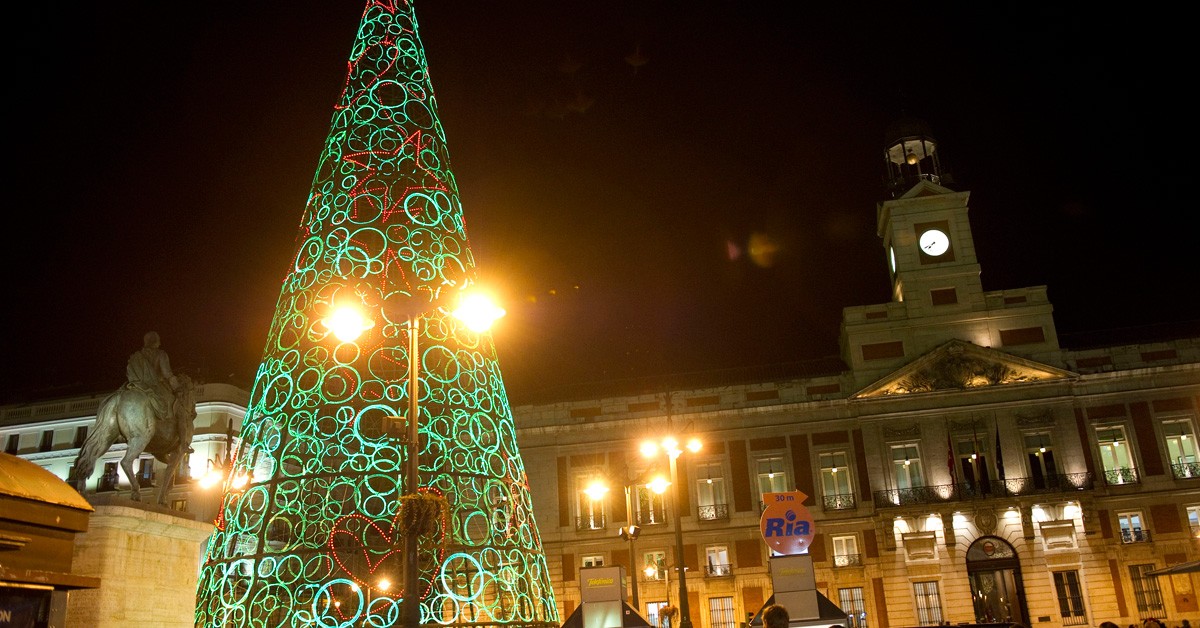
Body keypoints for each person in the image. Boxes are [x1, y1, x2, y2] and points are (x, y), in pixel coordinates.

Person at [126, 331, 178, 421]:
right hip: (155, 386)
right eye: (159, 341)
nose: (160, 343)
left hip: (137, 386)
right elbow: (167, 373)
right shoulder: (161, 354)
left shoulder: (137, 356)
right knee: (173, 404)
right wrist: (176, 387)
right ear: (155, 341)